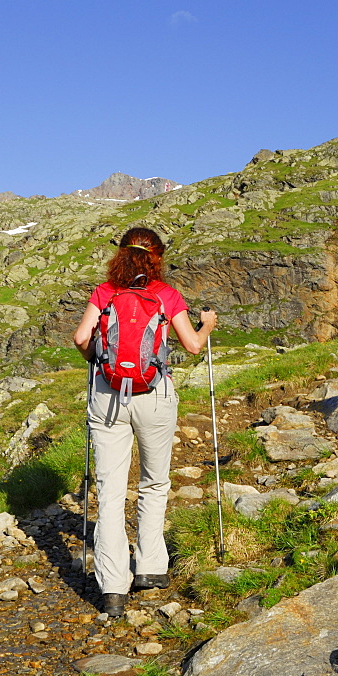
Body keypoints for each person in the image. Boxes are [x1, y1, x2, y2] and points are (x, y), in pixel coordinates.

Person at [73, 226, 217, 617]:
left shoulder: (105, 292)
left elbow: (80, 337)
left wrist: (99, 361)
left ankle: (113, 587)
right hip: (155, 396)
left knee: (110, 490)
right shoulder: (166, 295)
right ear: (157, 257)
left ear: (121, 254)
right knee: (154, 482)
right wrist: (208, 324)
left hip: (107, 397)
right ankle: (151, 568)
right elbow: (191, 345)